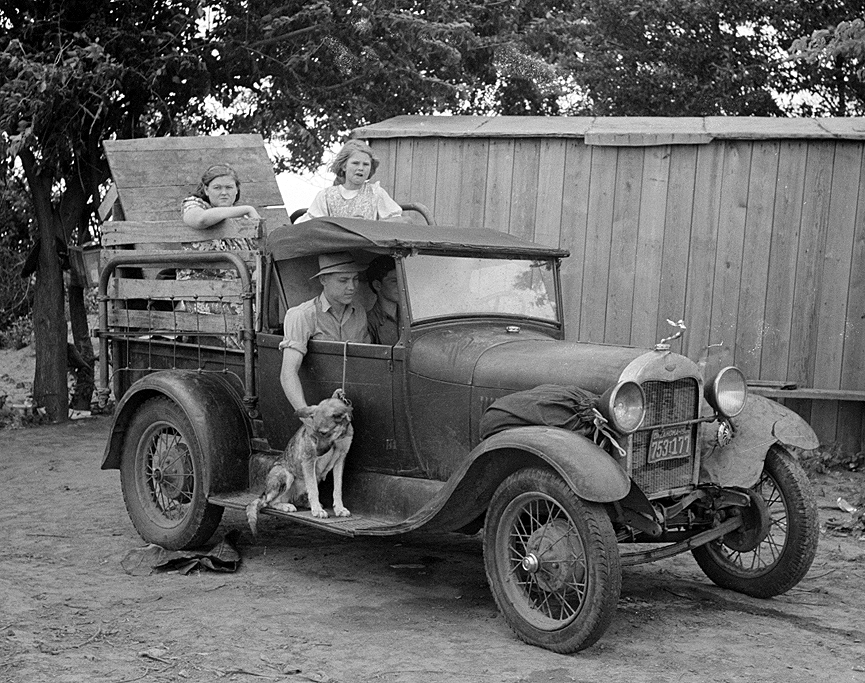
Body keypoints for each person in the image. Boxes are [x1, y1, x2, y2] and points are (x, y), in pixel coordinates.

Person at [279, 252, 371, 410]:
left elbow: (366, 362)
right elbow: (288, 373)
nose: (352, 287)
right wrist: (306, 414)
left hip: (354, 404)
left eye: (355, 279)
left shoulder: (359, 311)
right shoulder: (302, 315)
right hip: (318, 406)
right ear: (323, 280)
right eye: (343, 280)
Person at [177, 164, 261, 325]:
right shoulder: (195, 205)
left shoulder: (241, 221)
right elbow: (199, 219)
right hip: (203, 294)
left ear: (237, 190)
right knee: (251, 321)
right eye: (217, 187)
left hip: (238, 293)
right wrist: (247, 209)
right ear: (206, 190)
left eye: (229, 187)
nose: (224, 192)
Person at [296, 140, 403, 222]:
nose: (361, 168)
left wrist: (370, 226)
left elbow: (397, 222)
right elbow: (310, 225)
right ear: (344, 166)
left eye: (365, 164)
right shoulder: (326, 196)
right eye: (355, 163)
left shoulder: (376, 193)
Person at [365, 255, 401, 345]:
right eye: (394, 281)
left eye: (402, 281)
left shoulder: (410, 316)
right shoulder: (368, 322)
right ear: (377, 285)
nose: (401, 286)